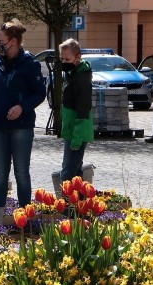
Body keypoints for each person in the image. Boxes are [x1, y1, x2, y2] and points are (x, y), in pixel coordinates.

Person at [0, 19, 46, 224]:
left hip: (22, 127)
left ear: (13, 41)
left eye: (1, 41)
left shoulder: (31, 64)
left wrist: (22, 106)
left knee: (21, 172)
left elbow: (40, 93)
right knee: (0, 173)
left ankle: (24, 216)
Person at [58, 38, 94, 185]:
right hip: (71, 128)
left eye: (67, 59)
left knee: (68, 172)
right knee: (75, 170)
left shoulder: (81, 77)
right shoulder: (73, 73)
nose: (64, 62)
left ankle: (67, 205)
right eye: (61, 58)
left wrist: (77, 137)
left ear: (78, 57)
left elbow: (83, 109)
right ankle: (79, 204)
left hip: (76, 131)